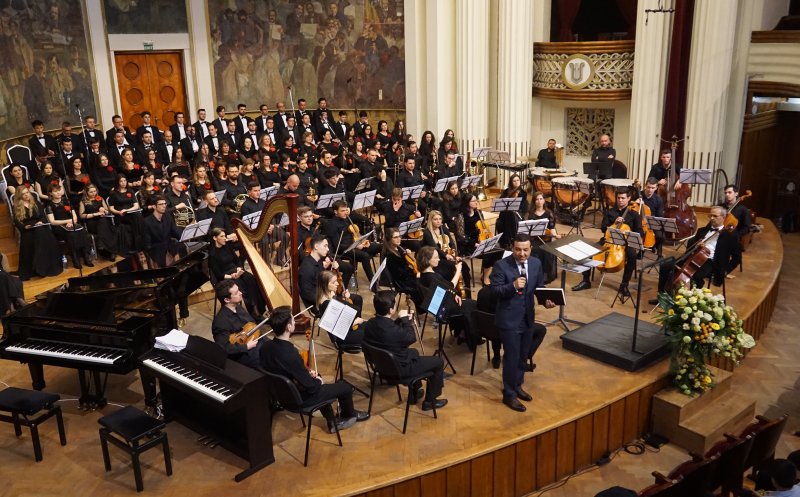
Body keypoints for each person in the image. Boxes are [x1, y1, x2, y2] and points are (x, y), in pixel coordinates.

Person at [260, 306, 370, 433]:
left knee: (317, 376)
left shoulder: (265, 347)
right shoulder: (291, 354)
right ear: (289, 327)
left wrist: (308, 374)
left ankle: (331, 420)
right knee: (344, 387)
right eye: (293, 320)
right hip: (299, 399)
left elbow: (284, 371)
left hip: (281, 395)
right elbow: (312, 387)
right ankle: (348, 415)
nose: (294, 321)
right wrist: (318, 381)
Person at [490, 234, 555, 412]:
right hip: (509, 321)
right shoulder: (501, 265)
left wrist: (546, 301)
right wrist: (513, 286)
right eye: (518, 250)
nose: (522, 254)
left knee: (522, 356)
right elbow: (494, 291)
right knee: (511, 358)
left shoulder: (535, 263)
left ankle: (518, 385)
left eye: (525, 250)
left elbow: (539, 287)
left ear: (530, 249)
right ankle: (509, 394)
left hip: (527, 317)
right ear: (512, 248)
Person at [362, 290, 448, 411]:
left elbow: (389, 331)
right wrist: (406, 321)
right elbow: (411, 337)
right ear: (391, 310)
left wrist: (400, 320)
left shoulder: (370, 324)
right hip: (399, 370)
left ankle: (415, 392)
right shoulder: (392, 332)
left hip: (382, 367)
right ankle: (430, 401)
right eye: (395, 304)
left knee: (411, 353)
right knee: (438, 362)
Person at [649, 206, 741, 302]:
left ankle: (692, 303)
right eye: (710, 216)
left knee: (697, 276)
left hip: (712, 262)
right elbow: (690, 247)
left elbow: (737, 258)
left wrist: (725, 271)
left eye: (715, 216)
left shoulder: (730, 235)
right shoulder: (702, 231)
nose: (712, 218)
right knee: (666, 265)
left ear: (723, 217)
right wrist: (696, 244)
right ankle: (663, 296)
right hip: (694, 257)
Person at [572, 190, 643, 298]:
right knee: (588, 250)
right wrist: (614, 223)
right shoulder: (610, 212)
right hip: (608, 240)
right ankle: (586, 280)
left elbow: (640, 231)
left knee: (632, 256)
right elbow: (603, 228)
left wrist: (629, 234)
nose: (620, 200)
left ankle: (624, 285)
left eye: (623, 198)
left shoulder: (634, 215)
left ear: (628, 198)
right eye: (618, 198)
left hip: (625, 243)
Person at [416, 246, 479, 349]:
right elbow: (450, 286)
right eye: (436, 257)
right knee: (473, 304)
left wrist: (453, 295)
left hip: (441, 303)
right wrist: (458, 270)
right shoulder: (432, 277)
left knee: (465, 302)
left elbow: (444, 289)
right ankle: (470, 336)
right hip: (444, 310)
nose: (439, 259)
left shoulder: (424, 275)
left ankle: (460, 332)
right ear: (427, 260)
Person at [208, 227, 265, 317]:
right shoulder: (212, 254)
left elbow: (237, 260)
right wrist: (232, 276)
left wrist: (239, 268)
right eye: (222, 236)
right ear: (215, 238)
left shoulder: (227, 246)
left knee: (252, 280)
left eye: (225, 236)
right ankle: (254, 312)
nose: (225, 238)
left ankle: (259, 309)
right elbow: (218, 275)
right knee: (242, 287)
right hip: (226, 277)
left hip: (236, 271)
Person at [323, 200, 382, 282]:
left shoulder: (347, 219)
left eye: (346, 210)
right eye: (342, 211)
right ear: (335, 212)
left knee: (380, 247)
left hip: (355, 244)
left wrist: (364, 241)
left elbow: (356, 234)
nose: (345, 213)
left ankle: (385, 278)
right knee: (365, 256)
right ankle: (373, 283)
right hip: (345, 249)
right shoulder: (332, 224)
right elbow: (337, 246)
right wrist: (355, 245)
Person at [12, 187, 62, 280]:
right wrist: (24, 227)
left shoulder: (36, 203)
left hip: (39, 226)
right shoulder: (17, 206)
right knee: (29, 239)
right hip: (27, 229)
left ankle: (44, 268)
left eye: (27, 192)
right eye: (23, 194)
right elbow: (17, 222)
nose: (26, 195)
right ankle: (34, 269)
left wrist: (41, 222)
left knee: (43, 235)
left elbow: (43, 216)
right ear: (20, 196)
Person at [212, 279, 263, 369]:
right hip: (243, 353)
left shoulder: (238, 307)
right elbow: (223, 348)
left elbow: (252, 323)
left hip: (256, 340)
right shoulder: (220, 322)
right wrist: (246, 346)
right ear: (227, 300)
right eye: (236, 293)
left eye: (239, 290)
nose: (241, 293)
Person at [422, 210, 471, 296]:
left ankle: (467, 292)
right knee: (452, 268)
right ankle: (453, 292)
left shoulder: (443, 228)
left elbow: (452, 243)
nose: (438, 221)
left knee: (464, 266)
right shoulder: (427, 232)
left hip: (448, 256)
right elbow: (435, 247)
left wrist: (455, 255)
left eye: (440, 219)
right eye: (435, 219)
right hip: (436, 259)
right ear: (431, 220)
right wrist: (446, 255)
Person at [45, 184, 93, 269]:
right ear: (50, 193)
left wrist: (73, 222)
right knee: (71, 234)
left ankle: (86, 256)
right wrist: (67, 221)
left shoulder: (67, 201)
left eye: (59, 190)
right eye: (55, 191)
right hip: (59, 226)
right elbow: (52, 222)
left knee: (83, 232)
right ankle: (75, 258)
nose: (58, 193)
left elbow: (74, 216)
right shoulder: (49, 205)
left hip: (71, 224)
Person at [299, 234, 353, 308]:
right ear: (316, 247)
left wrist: (337, 293)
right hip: (320, 303)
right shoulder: (307, 268)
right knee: (353, 307)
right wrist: (329, 298)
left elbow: (324, 281)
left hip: (327, 295)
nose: (328, 249)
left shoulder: (319, 261)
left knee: (357, 299)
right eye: (325, 246)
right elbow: (307, 294)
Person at [316, 270, 364, 347]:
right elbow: (338, 327)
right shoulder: (327, 304)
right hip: (343, 337)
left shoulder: (329, 295)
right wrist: (356, 321)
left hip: (347, 331)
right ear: (325, 285)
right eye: (333, 282)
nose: (337, 284)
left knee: (370, 328)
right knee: (371, 333)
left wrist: (340, 298)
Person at [383, 227, 422, 307]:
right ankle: (422, 305)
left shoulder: (398, 248)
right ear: (389, 239)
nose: (399, 239)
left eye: (399, 236)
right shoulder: (390, 254)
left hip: (405, 275)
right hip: (401, 282)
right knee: (424, 282)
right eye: (395, 237)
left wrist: (407, 254)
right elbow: (400, 273)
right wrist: (416, 274)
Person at [142, 196, 185, 268]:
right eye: (161, 204)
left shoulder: (167, 216)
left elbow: (175, 231)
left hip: (169, 246)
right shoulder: (146, 222)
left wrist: (185, 236)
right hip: (156, 250)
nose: (164, 206)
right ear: (154, 206)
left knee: (181, 249)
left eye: (165, 204)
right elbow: (147, 244)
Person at [527, 191, 560, 284]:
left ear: (544, 200)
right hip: (534, 239)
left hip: (546, 240)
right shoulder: (530, 214)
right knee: (535, 250)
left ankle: (545, 275)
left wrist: (556, 235)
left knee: (546, 250)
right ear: (534, 201)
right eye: (537, 199)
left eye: (541, 199)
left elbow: (552, 228)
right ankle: (534, 275)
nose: (539, 201)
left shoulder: (549, 213)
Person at [79, 184, 117, 260]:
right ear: (86, 193)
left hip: (103, 221)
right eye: (91, 192)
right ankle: (112, 251)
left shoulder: (100, 198)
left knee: (103, 221)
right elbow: (81, 215)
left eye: (95, 191)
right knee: (105, 225)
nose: (94, 193)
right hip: (92, 223)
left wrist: (104, 211)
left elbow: (108, 211)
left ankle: (102, 244)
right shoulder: (83, 202)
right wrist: (94, 214)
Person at [640, 177, 665, 257]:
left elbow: (659, 216)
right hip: (639, 221)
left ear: (656, 188)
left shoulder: (658, 200)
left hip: (652, 222)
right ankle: (641, 251)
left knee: (660, 235)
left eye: (652, 188)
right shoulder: (639, 195)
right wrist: (635, 202)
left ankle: (659, 254)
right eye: (648, 187)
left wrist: (652, 223)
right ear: (645, 186)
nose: (650, 190)